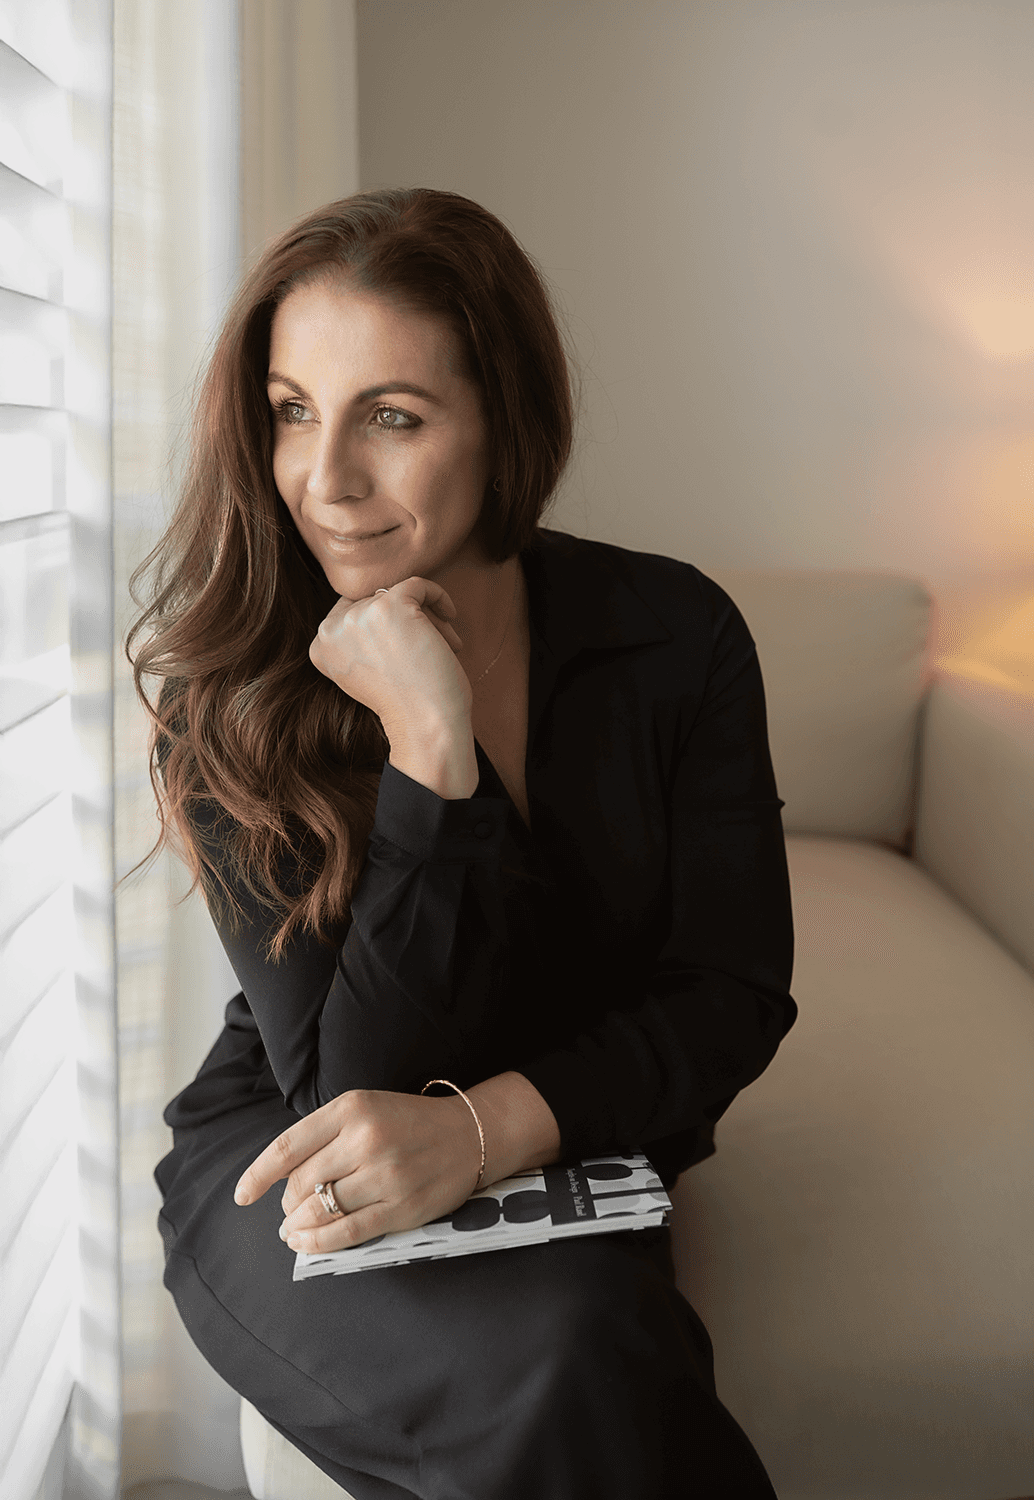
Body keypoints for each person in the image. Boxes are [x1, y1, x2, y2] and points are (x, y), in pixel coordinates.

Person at [129, 187, 796, 1499]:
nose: (326, 480)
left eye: (393, 416)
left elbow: (729, 998)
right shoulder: (233, 690)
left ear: (505, 419)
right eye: (292, 411)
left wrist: (494, 1127)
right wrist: (430, 744)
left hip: (567, 1141)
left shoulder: (675, 636)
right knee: (577, 1361)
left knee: (594, 1351)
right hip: (292, 1154)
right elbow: (348, 1089)